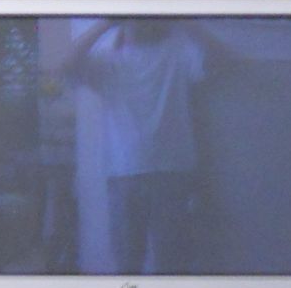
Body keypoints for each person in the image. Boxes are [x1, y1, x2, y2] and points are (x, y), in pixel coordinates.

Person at [62, 18, 215, 274]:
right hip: (126, 175)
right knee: (128, 267)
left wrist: (185, 18)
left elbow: (221, 59)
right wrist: (106, 23)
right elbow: (66, 65)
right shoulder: (108, 61)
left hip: (171, 173)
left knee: (173, 267)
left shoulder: (178, 53)